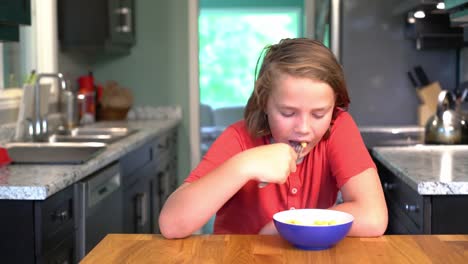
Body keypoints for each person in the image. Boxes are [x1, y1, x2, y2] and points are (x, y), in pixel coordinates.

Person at [159, 38, 388, 238]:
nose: (304, 128)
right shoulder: (238, 139)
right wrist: (243, 166)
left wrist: (285, 227)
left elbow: (374, 216)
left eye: (319, 114)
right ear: (264, 102)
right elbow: (172, 224)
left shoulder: (338, 128)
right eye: (288, 113)